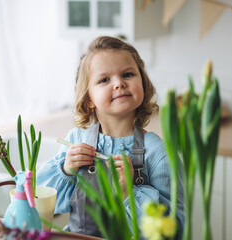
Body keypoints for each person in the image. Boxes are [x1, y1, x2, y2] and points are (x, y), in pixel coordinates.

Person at [36, 36, 184, 238]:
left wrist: (128, 193)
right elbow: (41, 200)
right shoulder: (76, 139)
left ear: (143, 82)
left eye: (128, 74)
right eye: (104, 79)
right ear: (89, 99)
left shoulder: (158, 153)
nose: (119, 83)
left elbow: (174, 230)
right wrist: (66, 170)